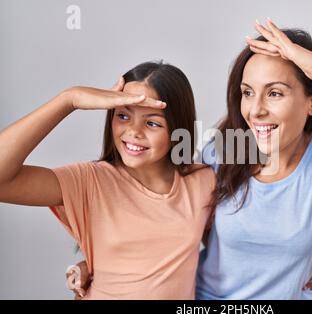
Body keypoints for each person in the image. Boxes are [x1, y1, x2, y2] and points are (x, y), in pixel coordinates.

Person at [65, 18, 312, 300]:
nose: (255, 110)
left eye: (274, 93)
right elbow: (164, 221)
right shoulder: (219, 150)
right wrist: (98, 265)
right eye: (247, 92)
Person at [0, 61, 216, 299]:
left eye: (152, 123)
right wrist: (68, 99)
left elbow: (230, 251)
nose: (133, 131)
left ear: (178, 129)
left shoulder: (203, 181)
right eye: (123, 115)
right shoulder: (90, 181)